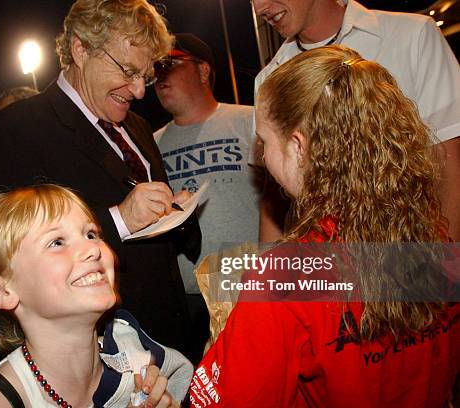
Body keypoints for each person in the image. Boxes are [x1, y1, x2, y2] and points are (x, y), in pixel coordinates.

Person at [189, 46, 459, 407]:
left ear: (299, 147)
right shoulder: (435, 239)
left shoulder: (286, 278)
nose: (261, 157)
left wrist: (222, 347)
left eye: (264, 142)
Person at [0, 0, 201, 355]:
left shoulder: (138, 127)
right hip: (93, 357)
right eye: (128, 71)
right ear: (80, 49)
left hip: (171, 341)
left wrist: (177, 214)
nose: (140, 91)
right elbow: (3, 253)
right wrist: (119, 220)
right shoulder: (16, 130)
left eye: (147, 76)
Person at [0, 184, 192, 407]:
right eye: (57, 242)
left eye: (91, 234)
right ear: (2, 291)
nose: (93, 249)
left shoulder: (132, 348)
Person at [251, 0, 460, 243]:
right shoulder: (268, 77)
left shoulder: (411, 35)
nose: (259, 7)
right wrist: (270, 266)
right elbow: (273, 193)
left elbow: (447, 158)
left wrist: (445, 262)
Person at [154, 33, 262, 361]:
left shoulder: (251, 121)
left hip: (247, 290)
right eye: (155, 68)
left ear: (203, 71)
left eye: (170, 64)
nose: (159, 76)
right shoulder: (148, 144)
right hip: (185, 301)